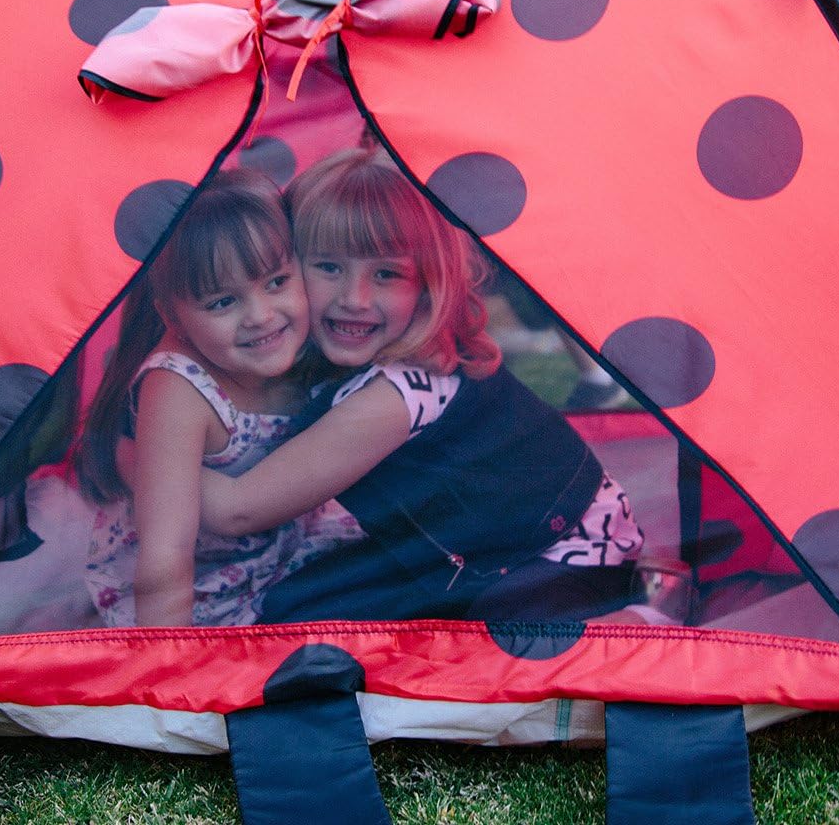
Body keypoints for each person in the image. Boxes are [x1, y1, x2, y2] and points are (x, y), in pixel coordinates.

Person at [193, 149, 652, 623]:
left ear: (428, 286)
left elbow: (238, 511)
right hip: (472, 548)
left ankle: (634, 619)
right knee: (295, 606)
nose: (355, 298)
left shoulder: (392, 398)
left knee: (490, 658)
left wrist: (142, 460)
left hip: (565, 562)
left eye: (386, 274)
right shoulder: (347, 366)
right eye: (328, 267)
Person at [76, 169, 326, 627]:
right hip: (203, 588)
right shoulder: (180, 387)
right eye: (221, 303)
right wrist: (165, 670)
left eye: (276, 282)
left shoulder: (318, 340)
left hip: (288, 556)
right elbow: (165, 556)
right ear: (173, 316)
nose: (261, 316)